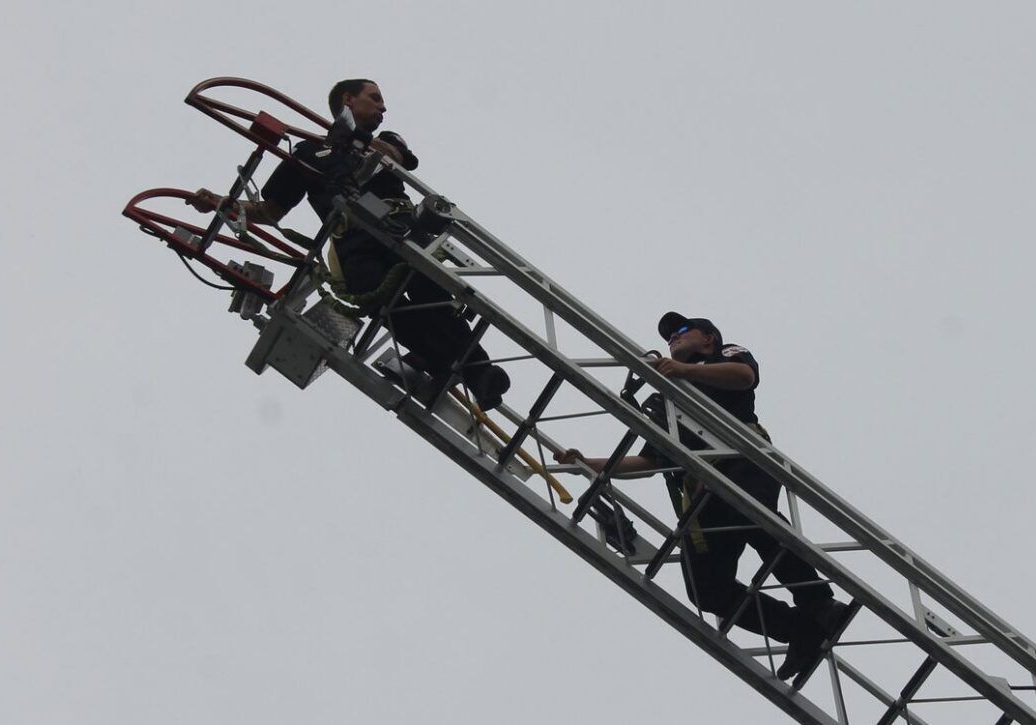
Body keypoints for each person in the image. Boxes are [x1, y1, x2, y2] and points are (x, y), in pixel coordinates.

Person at [556, 311, 849, 680]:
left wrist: (686, 372)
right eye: (668, 338)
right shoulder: (669, 400)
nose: (672, 339)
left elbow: (745, 378)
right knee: (704, 588)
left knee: (755, 517)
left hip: (743, 461)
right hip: (702, 492)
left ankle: (818, 603)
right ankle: (798, 630)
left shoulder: (723, 356)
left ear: (708, 338)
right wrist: (587, 462)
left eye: (680, 331)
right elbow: (648, 460)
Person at [189, 78, 510, 410]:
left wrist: (354, 140)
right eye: (375, 98)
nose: (383, 107)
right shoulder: (308, 153)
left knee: (433, 298)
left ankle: (478, 375)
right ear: (349, 99)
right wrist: (221, 202)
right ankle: (441, 361)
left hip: (400, 228)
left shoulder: (383, 140)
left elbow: (395, 157)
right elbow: (270, 210)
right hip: (351, 243)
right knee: (389, 309)